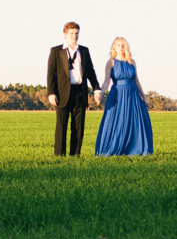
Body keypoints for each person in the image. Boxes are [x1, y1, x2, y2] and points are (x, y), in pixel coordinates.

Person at [46, 22, 100, 157]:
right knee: (61, 126)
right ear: (65, 34)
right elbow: (51, 73)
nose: (74, 36)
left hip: (80, 93)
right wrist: (51, 93)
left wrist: (96, 88)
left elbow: (90, 71)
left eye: (76, 33)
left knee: (78, 127)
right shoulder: (56, 51)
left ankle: (75, 155)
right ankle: (59, 156)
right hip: (62, 93)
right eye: (71, 33)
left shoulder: (84, 50)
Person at [93, 36, 153, 157]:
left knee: (134, 122)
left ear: (126, 47)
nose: (121, 47)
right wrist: (99, 92)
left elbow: (137, 81)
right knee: (117, 122)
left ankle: (134, 148)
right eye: (118, 45)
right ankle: (113, 148)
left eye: (123, 45)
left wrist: (144, 97)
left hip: (133, 95)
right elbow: (106, 81)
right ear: (114, 47)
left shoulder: (132, 62)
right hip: (118, 95)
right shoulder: (111, 62)